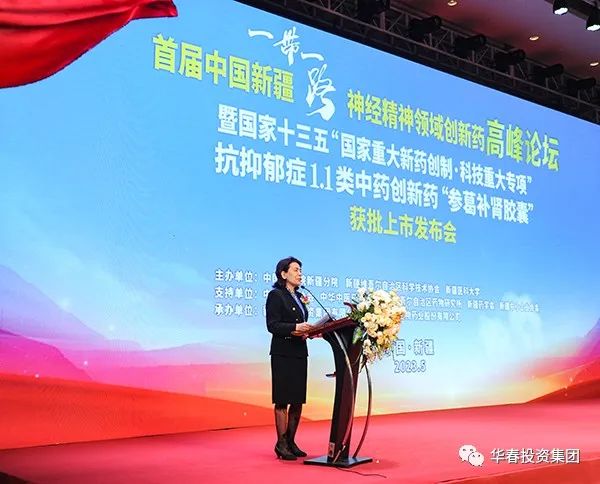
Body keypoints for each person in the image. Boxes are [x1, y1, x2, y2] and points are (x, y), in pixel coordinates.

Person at [266, 256, 313, 460]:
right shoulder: (276, 295)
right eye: (295, 270)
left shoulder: (300, 296)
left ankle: (291, 441)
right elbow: (272, 325)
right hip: (282, 353)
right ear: (283, 274)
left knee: (297, 400)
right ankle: (281, 444)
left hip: (299, 352)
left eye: (300, 270)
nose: (299, 273)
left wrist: (309, 331)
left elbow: (301, 324)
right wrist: (295, 327)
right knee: (283, 400)